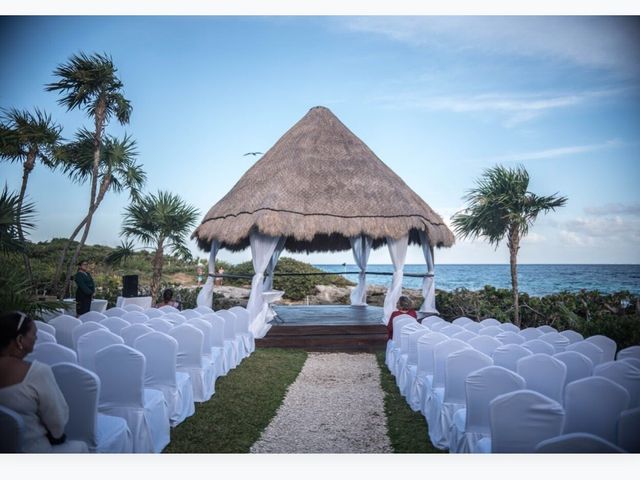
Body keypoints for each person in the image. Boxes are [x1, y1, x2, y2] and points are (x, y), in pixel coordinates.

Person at [0, 311, 84, 453]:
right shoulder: (37, 373)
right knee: (82, 447)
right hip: (32, 450)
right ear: (20, 340)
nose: (36, 337)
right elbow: (57, 426)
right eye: (33, 334)